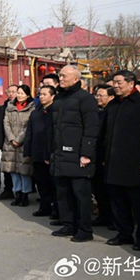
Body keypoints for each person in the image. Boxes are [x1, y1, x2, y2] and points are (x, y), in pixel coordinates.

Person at [102, 70, 140, 251]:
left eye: (119, 82)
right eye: (114, 82)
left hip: (136, 164)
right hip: (114, 163)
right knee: (118, 202)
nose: (116, 86)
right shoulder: (112, 106)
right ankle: (124, 233)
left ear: (131, 83)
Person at [49, 65, 99, 243]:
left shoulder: (85, 99)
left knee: (81, 195)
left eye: (64, 76)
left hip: (78, 155)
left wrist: (86, 153)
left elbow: (92, 128)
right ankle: (68, 224)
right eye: (59, 75)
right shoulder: (60, 98)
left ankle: (85, 229)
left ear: (76, 79)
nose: (60, 78)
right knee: (63, 193)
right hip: (60, 154)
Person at [24, 86, 58, 217]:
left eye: (44, 94)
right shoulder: (35, 112)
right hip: (37, 152)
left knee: (53, 184)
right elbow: (29, 132)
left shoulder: (55, 112)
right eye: (40, 94)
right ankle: (44, 207)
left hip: (50, 153)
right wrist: (28, 150)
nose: (41, 97)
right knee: (41, 183)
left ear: (52, 96)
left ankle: (56, 209)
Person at [2, 85, 35, 207]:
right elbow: (6, 123)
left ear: (27, 95)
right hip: (10, 144)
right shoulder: (9, 107)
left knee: (24, 171)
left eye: (22, 93)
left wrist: (19, 140)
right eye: (18, 93)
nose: (19, 95)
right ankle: (17, 194)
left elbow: (28, 127)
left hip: (23, 143)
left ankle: (25, 195)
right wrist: (11, 138)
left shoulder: (32, 108)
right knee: (13, 171)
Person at [92, 84, 115, 228]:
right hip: (97, 156)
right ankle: (104, 215)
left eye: (101, 95)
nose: (98, 98)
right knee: (99, 189)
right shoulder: (99, 112)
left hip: (108, 158)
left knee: (110, 192)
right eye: (97, 95)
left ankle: (113, 219)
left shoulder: (112, 113)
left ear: (111, 97)